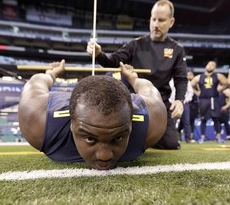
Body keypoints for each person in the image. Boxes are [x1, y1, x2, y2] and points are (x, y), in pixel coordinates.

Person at [18, 59, 167, 170]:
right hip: (66, 104)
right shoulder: (37, 120)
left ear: (130, 124)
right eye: (90, 138)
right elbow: (36, 83)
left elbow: (147, 88)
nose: (104, 156)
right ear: (71, 124)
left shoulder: (152, 123)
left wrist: (132, 77)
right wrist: (52, 73)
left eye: (118, 137)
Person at [87, 0, 187, 150]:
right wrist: (99, 53)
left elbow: (181, 79)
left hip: (160, 102)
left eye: (161, 20)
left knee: (171, 144)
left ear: (171, 22)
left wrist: (179, 100)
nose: (156, 24)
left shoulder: (177, 49)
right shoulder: (135, 44)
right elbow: (112, 61)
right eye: (153, 19)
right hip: (134, 101)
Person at [190, 60, 228, 143]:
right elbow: (190, 85)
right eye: (209, 64)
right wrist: (197, 92)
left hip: (214, 99)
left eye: (212, 65)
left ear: (214, 68)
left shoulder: (218, 76)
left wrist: (220, 89)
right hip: (203, 99)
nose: (210, 66)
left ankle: (218, 137)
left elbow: (226, 83)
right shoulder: (199, 77)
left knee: (216, 118)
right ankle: (202, 138)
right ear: (206, 66)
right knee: (203, 119)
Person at [169, 78, 193, 143]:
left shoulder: (186, 81)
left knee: (186, 121)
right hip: (172, 103)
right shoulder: (170, 81)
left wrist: (185, 101)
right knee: (172, 121)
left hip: (184, 103)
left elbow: (190, 92)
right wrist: (171, 101)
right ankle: (172, 138)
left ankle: (188, 139)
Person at [187, 71, 199, 141]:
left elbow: (199, 93)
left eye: (190, 75)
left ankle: (190, 136)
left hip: (194, 104)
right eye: (187, 75)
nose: (189, 76)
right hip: (186, 103)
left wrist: (192, 88)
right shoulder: (184, 83)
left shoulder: (196, 85)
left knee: (192, 121)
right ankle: (178, 135)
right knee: (184, 121)